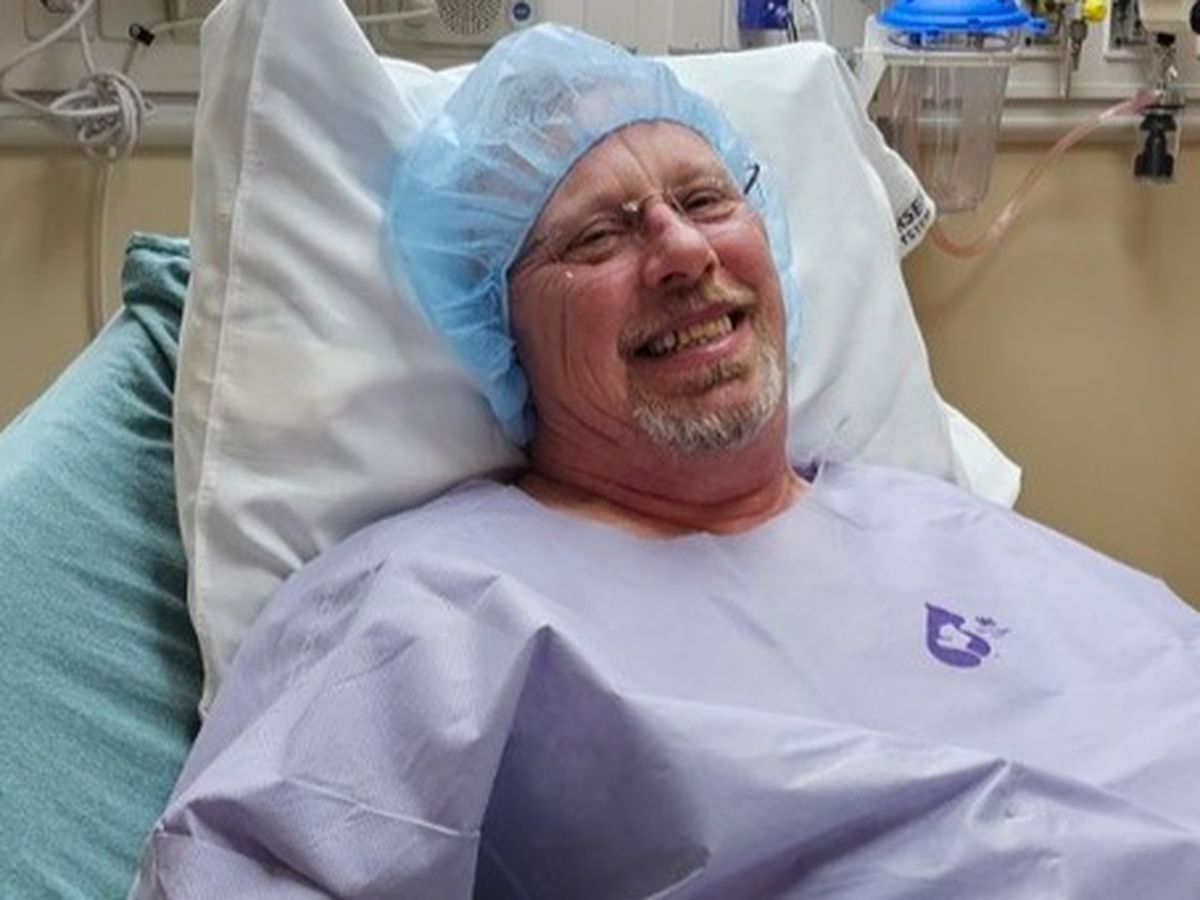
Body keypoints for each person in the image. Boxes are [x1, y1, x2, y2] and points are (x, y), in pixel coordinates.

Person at [131, 25, 1200, 899]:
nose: (685, 253)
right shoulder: (434, 606)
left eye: (706, 202)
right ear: (501, 328)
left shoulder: (945, 524)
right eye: (598, 238)